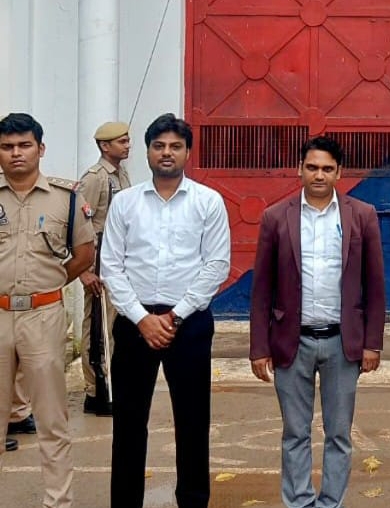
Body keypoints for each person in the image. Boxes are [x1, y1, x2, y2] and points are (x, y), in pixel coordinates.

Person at [101, 113, 230, 508]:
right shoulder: (125, 203)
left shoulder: (208, 202)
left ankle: (192, 500)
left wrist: (174, 316)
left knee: (192, 421)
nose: (167, 153)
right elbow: (111, 266)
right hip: (134, 324)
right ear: (148, 152)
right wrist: (142, 318)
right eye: (159, 146)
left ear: (188, 152)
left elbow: (216, 265)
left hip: (188, 325)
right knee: (128, 422)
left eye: (175, 146)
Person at [250, 135, 386, 508]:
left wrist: (372, 343)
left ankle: (330, 503)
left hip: (343, 343)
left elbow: (375, 285)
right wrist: (259, 348)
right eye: (312, 167)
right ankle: (299, 502)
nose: (319, 175)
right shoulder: (276, 217)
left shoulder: (362, 215)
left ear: (339, 173)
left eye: (327, 168)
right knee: (295, 433)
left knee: (339, 434)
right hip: (291, 342)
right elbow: (261, 290)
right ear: (300, 169)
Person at [0, 112, 95, 508]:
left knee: (52, 419)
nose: (16, 153)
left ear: (40, 149)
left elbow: (84, 254)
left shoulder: (66, 197)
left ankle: (58, 502)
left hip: (43, 315)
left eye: (24, 145)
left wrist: (51, 283)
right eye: (7, 147)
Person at [77, 120, 132, 416]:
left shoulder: (121, 173)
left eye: (127, 140)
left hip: (117, 255)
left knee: (112, 324)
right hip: (97, 257)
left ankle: (109, 384)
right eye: (121, 141)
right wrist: (84, 270)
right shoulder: (95, 178)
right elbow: (78, 224)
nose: (127, 145)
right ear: (104, 146)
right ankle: (95, 389)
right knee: (97, 326)